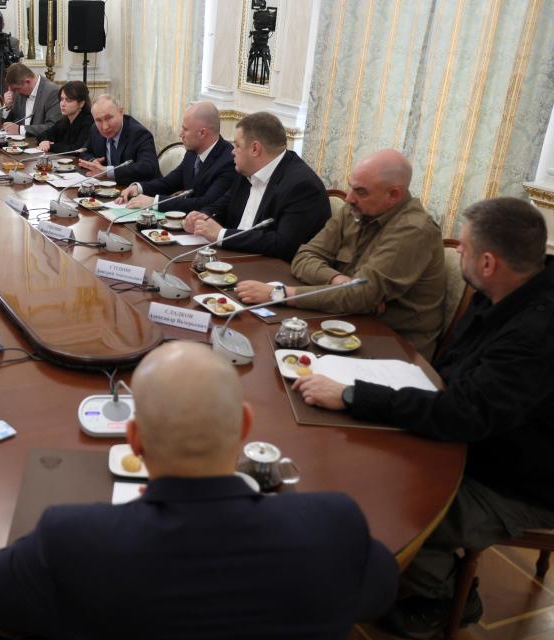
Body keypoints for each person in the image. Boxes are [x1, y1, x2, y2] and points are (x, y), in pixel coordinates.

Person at [0, 341, 398, 639]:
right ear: (245, 425)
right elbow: (379, 592)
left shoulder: (72, 536)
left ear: (133, 440)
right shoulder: (334, 525)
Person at [293, 198, 554, 639]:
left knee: (396, 500)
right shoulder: (510, 287)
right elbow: (451, 371)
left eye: (465, 250)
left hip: (518, 478)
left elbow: (466, 415)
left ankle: (443, 596)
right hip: (481, 435)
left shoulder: (536, 331)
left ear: (488, 262)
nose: (460, 258)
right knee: (364, 459)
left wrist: (356, 394)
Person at [236, 149, 445, 359]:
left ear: (394, 195)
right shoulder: (356, 209)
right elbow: (304, 256)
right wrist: (337, 279)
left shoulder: (414, 230)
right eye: (351, 186)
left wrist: (278, 294)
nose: (350, 198)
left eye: (361, 191)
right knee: (265, 347)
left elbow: (361, 296)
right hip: (344, 320)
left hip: (392, 346)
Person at [183, 111, 330, 258]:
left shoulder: (301, 186)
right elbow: (222, 206)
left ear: (255, 149)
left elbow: (283, 244)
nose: (232, 152)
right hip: (232, 257)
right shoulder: (246, 170)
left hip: (270, 270)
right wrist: (202, 217)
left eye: (237, 146)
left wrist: (221, 235)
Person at [115, 101, 237, 214]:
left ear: (202, 133)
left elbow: (205, 203)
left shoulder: (228, 162)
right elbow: (169, 183)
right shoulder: (192, 152)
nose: (180, 134)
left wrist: (155, 202)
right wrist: (139, 188)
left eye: (185, 129)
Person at [79, 94, 161, 184]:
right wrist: (93, 161)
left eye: (109, 118)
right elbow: (84, 151)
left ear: (121, 112)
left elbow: (148, 167)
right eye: (98, 120)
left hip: (140, 192)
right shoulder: (95, 129)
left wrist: (107, 171)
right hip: (108, 189)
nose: (105, 127)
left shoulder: (139, 134)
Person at [1, 63, 60, 137]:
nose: (15, 92)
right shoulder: (20, 92)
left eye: (17, 89)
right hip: (17, 144)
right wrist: (8, 107)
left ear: (27, 82)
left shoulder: (52, 92)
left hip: (41, 144)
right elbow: (11, 123)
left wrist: (20, 129)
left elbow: (53, 127)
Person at [35, 80, 93, 154]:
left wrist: (50, 146)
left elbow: (77, 149)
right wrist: (44, 141)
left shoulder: (88, 121)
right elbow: (43, 134)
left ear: (81, 103)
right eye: (62, 99)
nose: (62, 104)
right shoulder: (64, 120)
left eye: (68, 100)